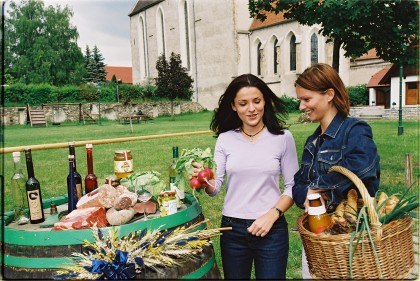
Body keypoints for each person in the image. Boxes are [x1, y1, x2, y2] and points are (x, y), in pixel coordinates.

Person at [191, 73, 299, 279]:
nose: (251, 109)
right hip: (233, 230)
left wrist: (273, 214)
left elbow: (293, 186)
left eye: (257, 101)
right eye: (243, 103)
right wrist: (205, 179)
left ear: (265, 101)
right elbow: (216, 188)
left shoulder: (283, 138)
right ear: (233, 106)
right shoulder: (225, 139)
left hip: (271, 229)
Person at [292, 63, 380, 278]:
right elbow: (298, 188)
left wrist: (317, 187)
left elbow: (363, 166)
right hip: (317, 237)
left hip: (351, 239)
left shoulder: (354, 130)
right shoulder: (312, 142)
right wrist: (309, 192)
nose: (301, 106)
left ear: (329, 94)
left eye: (307, 99)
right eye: (300, 100)